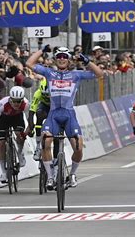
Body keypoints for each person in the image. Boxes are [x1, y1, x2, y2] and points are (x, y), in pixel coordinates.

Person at [26, 45, 103, 189]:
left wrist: (86, 61)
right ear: (55, 59)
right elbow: (29, 64)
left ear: (68, 60)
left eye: (65, 56)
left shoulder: (76, 74)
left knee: (78, 148)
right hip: (53, 114)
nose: (62, 59)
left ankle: (72, 174)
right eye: (59, 56)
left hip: (68, 114)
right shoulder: (49, 73)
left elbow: (99, 74)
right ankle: (50, 177)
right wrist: (42, 50)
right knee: (45, 143)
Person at [0, 86, 29, 183]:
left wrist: (25, 134)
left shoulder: (26, 104)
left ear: (22, 100)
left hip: (17, 118)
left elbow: (30, 121)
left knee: (19, 134)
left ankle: (19, 152)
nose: (16, 104)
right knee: (1, 144)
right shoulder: (2, 103)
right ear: (10, 99)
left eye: (18, 101)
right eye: (14, 101)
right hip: (4, 119)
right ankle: (3, 172)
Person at [25, 78, 51, 160]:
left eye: (48, 95)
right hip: (44, 106)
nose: (47, 97)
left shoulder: (57, 94)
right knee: (39, 115)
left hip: (55, 106)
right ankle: (38, 145)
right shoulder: (38, 93)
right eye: (44, 95)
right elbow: (31, 111)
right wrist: (31, 125)